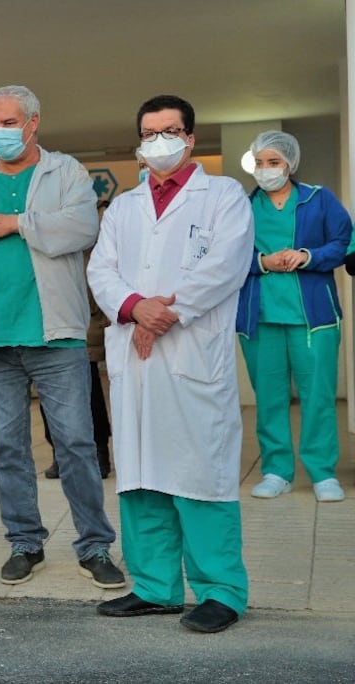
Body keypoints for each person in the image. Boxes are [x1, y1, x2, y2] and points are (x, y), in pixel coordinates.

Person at [0, 85, 123, 590]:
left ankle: (95, 545)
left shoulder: (66, 172)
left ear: (33, 123)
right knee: (5, 448)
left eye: (8, 123)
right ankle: (24, 541)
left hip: (54, 336)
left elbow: (83, 227)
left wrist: (17, 223)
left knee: (77, 443)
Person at [88, 95, 254, 633]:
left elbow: (226, 267)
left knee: (200, 473)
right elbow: (102, 270)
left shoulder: (223, 196)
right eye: (148, 132)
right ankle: (155, 587)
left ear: (189, 137)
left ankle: (221, 592)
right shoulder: (124, 206)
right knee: (141, 474)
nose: (158, 141)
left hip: (189, 356)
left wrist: (160, 315)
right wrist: (135, 308)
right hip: (136, 360)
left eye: (169, 130)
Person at [239, 131, 350, 503]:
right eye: (259, 163)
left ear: (290, 163)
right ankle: (276, 470)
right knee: (269, 398)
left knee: (317, 396)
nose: (266, 170)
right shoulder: (242, 206)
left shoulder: (319, 200)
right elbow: (226, 255)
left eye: (274, 162)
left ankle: (322, 472)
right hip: (261, 317)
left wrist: (307, 256)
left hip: (313, 318)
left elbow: (344, 242)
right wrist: (262, 262)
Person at [44, 202, 112, 481]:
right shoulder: (56, 245)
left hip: (85, 331)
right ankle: (60, 453)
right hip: (53, 329)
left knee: (89, 394)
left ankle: (99, 452)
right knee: (49, 398)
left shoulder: (95, 250)